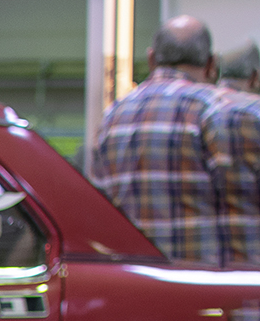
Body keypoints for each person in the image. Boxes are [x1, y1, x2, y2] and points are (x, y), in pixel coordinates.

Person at [91, 16, 224, 264]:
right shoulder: (215, 109)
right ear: (211, 64)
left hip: (132, 279)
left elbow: (97, 205)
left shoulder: (112, 116)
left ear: (151, 59)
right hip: (199, 281)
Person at [213, 45, 260, 264]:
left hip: (203, 257)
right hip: (251, 255)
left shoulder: (201, 106)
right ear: (254, 77)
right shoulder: (254, 112)